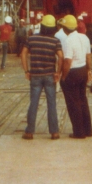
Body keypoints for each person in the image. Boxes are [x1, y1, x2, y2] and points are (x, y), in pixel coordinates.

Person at [21, 12, 63, 140]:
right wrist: (58, 72)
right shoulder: (55, 41)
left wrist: (26, 71)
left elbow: (23, 54)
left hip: (35, 76)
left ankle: (29, 132)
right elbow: (61, 57)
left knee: (33, 102)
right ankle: (54, 132)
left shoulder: (32, 38)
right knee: (52, 104)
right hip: (50, 75)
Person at [58, 14, 92, 138]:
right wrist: (89, 70)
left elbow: (67, 61)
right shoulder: (84, 37)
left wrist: (63, 77)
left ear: (65, 28)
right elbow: (88, 57)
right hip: (83, 70)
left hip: (73, 73)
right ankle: (88, 130)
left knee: (74, 103)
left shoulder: (68, 40)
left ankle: (79, 132)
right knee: (83, 100)